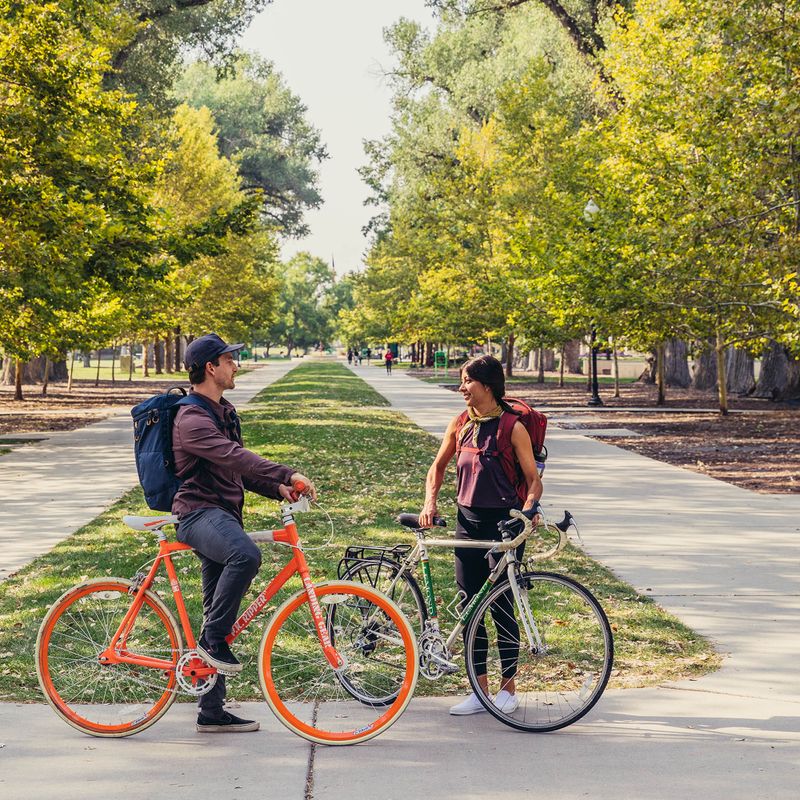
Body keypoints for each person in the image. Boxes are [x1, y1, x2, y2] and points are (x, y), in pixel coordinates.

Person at [172, 333, 317, 733]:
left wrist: (277, 488)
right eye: (229, 360)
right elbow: (233, 456)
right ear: (210, 368)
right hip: (198, 515)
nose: (236, 365)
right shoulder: (192, 418)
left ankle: (211, 711)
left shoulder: (222, 412)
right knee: (246, 556)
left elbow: (232, 469)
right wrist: (285, 471)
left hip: (222, 515)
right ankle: (212, 645)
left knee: (219, 609)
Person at [418, 354, 542, 717]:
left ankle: (508, 690)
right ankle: (479, 690)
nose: (461, 388)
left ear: (487, 385)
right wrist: (430, 502)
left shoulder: (511, 427)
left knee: (502, 606)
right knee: (470, 607)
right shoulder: (460, 424)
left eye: (467, 381)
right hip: (466, 523)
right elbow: (437, 467)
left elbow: (533, 478)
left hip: (501, 525)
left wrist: (530, 508)